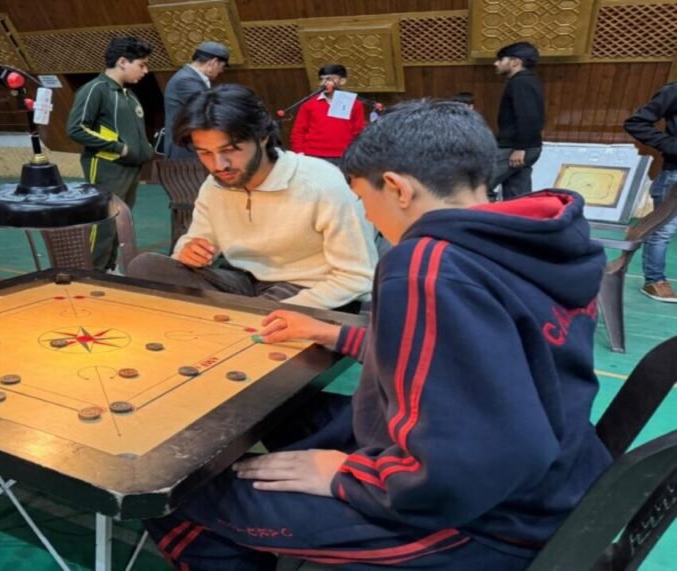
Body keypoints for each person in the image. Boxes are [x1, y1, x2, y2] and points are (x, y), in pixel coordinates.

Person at [143, 100, 611, 569]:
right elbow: (478, 366)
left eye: (364, 201)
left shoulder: (427, 266)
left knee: (170, 496)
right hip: (558, 481)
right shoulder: (532, 235)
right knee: (288, 410)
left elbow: (469, 464)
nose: (366, 217)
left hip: (478, 524)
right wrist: (332, 334)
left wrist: (348, 475)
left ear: (397, 188)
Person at [126, 84, 376, 311]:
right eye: (205, 153)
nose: (218, 165)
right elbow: (196, 240)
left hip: (307, 289)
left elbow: (358, 277)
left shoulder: (321, 182)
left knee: (249, 319)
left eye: (230, 150)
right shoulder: (215, 185)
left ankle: (236, 318)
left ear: (262, 136)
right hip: (243, 283)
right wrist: (188, 251)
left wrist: (272, 311)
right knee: (145, 267)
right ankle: (237, 317)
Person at [66, 36, 155, 270]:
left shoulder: (128, 94)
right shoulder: (96, 89)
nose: (145, 71)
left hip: (131, 169)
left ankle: (108, 267)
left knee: (119, 223)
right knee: (102, 224)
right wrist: (120, 148)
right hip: (107, 168)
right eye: (142, 64)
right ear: (123, 61)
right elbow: (76, 129)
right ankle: (90, 272)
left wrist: (142, 150)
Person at [624, 81, 677, 303]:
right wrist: (671, 145)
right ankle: (654, 280)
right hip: (675, 173)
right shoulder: (673, 91)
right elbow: (636, 123)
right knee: (661, 229)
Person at [489, 41, 545, 201]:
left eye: (500, 59)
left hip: (515, 148)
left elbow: (529, 116)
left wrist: (520, 148)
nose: (496, 63)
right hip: (526, 147)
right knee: (517, 193)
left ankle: (482, 222)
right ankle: (520, 223)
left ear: (515, 61)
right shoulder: (528, 81)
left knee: (479, 187)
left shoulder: (521, 82)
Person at [161, 41, 229, 158]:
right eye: (221, 67)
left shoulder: (190, 77)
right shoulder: (186, 80)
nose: (221, 71)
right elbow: (209, 108)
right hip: (184, 150)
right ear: (213, 62)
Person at [289, 64, 366, 167]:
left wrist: (356, 153)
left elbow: (358, 131)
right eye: (322, 79)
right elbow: (298, 131)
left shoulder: (355, 104)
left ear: (342, 81)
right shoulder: (309, 104)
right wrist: (300, 152)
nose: (325, 83)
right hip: (313, 154)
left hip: (343, 154)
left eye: (330, 79)